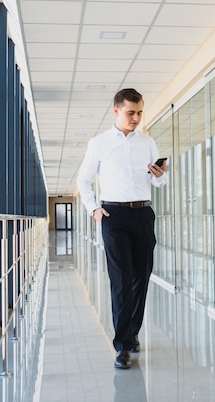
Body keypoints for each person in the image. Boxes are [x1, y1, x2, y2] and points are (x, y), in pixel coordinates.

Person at [77, 88, 167, 369]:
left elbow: (158, 183)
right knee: (120, 280)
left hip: (142, 214)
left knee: (141, 277)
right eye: (131, 112)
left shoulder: (147, 142)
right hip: (113, 215)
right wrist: (94, 210)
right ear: (116, 111)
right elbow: (84, 180)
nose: (136, 117)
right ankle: (122, 345)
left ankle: (132, 332)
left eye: (140, 112)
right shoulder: (99, 143)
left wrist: (161, 176)